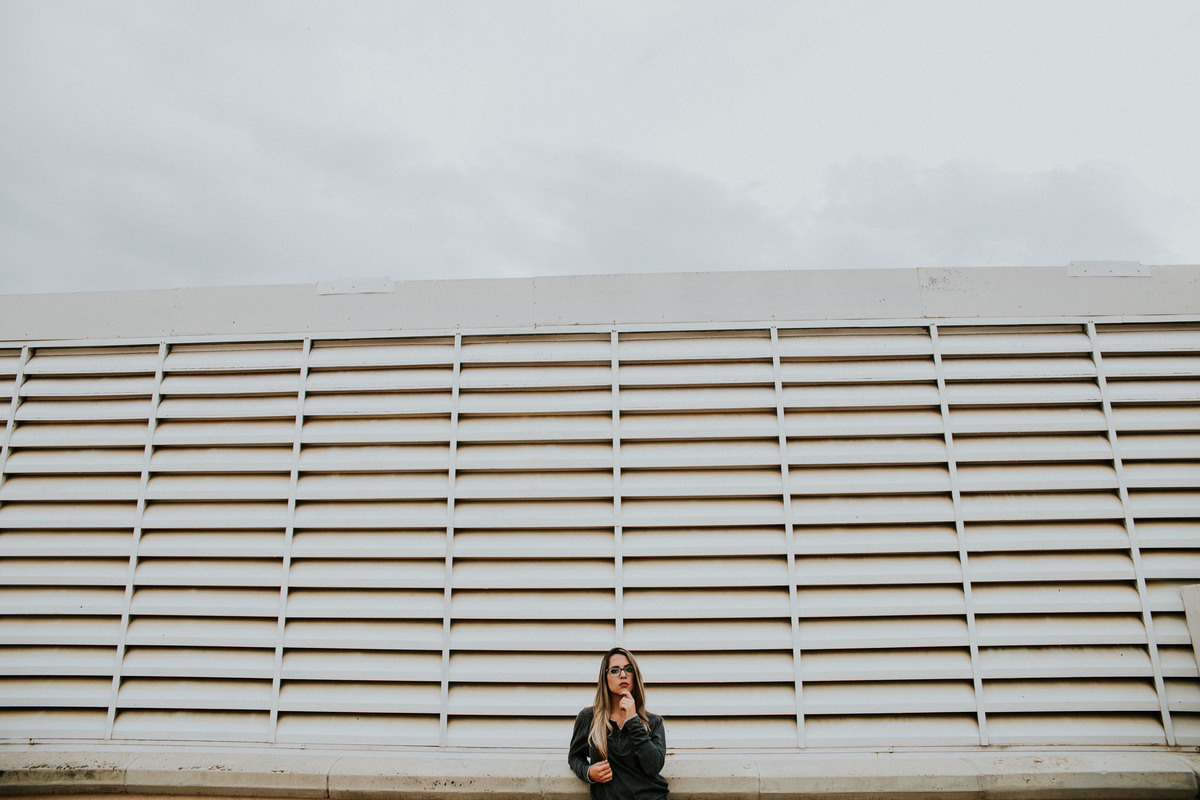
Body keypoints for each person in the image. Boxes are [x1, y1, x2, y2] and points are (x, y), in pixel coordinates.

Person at [568, 647, 668, 800]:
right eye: (615, 670)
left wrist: (633, 721)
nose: (623, 675)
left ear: (635, 676)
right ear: (605, 677)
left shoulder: (653, 722)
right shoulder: (589, 718)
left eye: (628, 669)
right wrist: (588, 773)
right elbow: (575, 757)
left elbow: (653, 766)